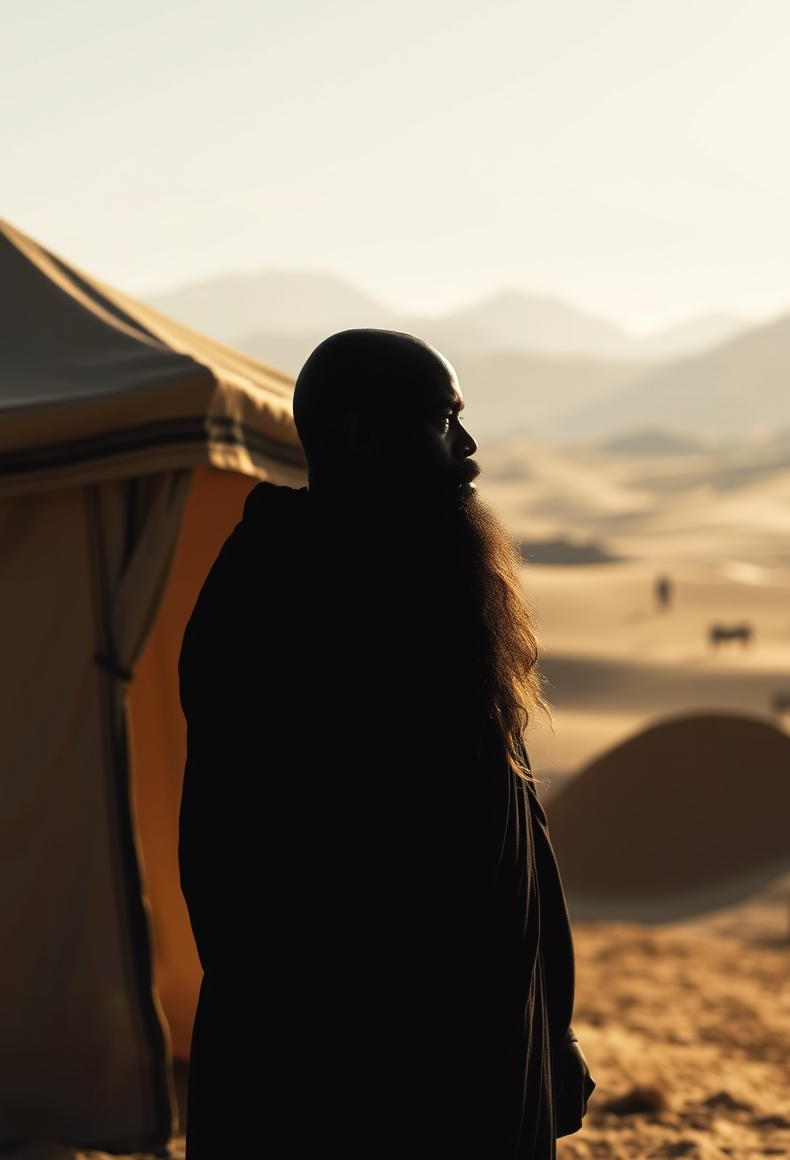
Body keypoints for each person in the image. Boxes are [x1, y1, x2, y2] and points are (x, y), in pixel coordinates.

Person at [178, 328, 595, 1158]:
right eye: (445, 421)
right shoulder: (277, 596)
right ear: (365, 435)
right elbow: (247, 867)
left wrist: (553, 1032)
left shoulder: (439, 589)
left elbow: (517, 832)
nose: (469, 449)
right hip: (341, 1086)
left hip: (489, 1066)